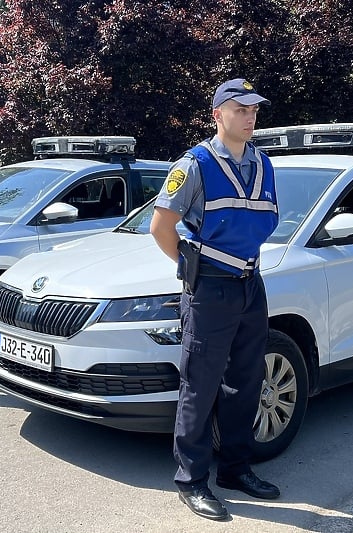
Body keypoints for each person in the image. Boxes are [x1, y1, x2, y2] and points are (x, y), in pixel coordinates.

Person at [150, 78, 280, 521]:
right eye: (240, 109)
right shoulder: (195, 164)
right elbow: (161, 226)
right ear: (217, 114)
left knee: (246, 381)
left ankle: (237, 469)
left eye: (254, 110)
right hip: (210, 288)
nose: (250, 116)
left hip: (250, 284)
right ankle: (191, 481)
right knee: (200, 385)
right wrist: (193, 269)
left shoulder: (263, 164)